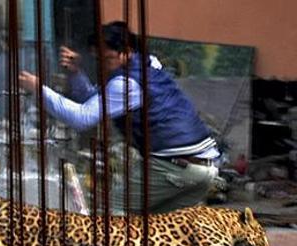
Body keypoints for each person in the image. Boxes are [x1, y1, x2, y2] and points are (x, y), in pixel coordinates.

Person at [19, 20, 222, 214]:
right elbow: (95, 100)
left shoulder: (126, 84)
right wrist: (76, 73)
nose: (104, 65)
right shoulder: (149, 65)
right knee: (157, 228)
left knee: (110, 212)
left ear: (126, 52)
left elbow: (81, 118)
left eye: (107, 59)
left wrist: (39, 89)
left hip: (174, 167)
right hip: (205, 167)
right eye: (99, 60)